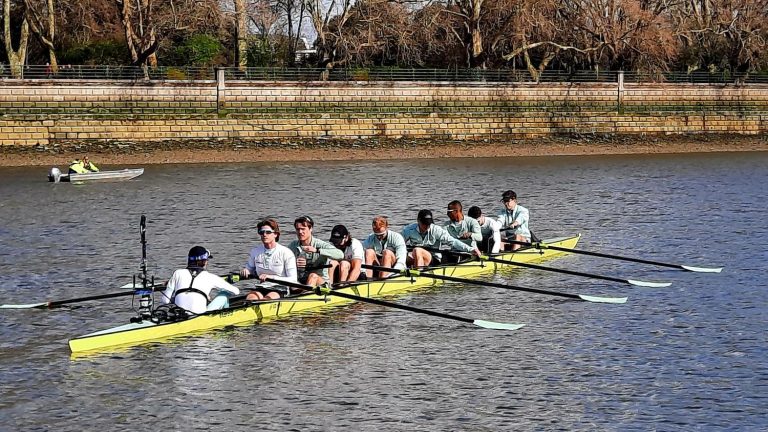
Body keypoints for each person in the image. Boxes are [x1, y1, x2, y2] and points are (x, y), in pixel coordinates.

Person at [162, 246, 240, 314]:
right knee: (225, 294)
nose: (207, 262)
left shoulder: (177, 273)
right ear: (203, 262)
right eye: (206, 260)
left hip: (180, 314)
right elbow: (236, 292)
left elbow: (165, 300)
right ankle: (225, 318)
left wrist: (178, 297)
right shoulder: (210, 277)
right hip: (200, 316)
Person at [240, 218, 298, 301]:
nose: (264, 234)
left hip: (280, 288)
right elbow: (250, 269)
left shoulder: (286, 253)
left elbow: (293, 279)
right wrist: (246, 271)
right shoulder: (255, 251)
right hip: (262, 286)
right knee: (250, 299)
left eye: (268, 232)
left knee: (266, 300)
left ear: (276, 234)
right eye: (261, 232)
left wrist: (271, 277)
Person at [402, 209, 481, 267]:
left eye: (429, 224)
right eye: (424, 224)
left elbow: (453, 242)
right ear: (418, 221)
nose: (427, 226)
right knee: (398, 255)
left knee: (417, 250)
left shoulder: (436, 230)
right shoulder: (408, 229)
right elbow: (398, 244)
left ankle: (418, 275)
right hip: (416, 257)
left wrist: (470, 249)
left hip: (433, 259)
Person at [288, 215, 344, 287]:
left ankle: (306, 296)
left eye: (303, 229)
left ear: (310, 228)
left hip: (321, 282)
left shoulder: (320, 244)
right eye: (298, 229)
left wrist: (317, 250)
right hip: (301, 281)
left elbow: (340, 255)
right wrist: (294, 263)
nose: (300, 232)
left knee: (313, 276)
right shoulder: (293, 245)